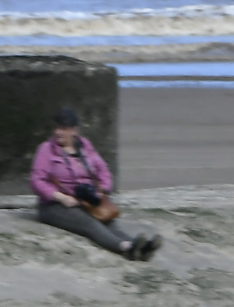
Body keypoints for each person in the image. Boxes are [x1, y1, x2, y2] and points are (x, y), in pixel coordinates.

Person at [30, 108, 160, 261]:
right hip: (55, 205)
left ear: (74, 131)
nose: (58, 132)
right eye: (57, 128)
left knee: (109, 222)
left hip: (85, 200)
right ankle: (126, 248)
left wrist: (102, 190)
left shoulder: (85, 146)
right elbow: (36, 180)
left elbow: (103, 170)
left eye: (63, 129)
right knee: (89, 223)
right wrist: (59, 197)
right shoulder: (46, 149)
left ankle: (141, 248)